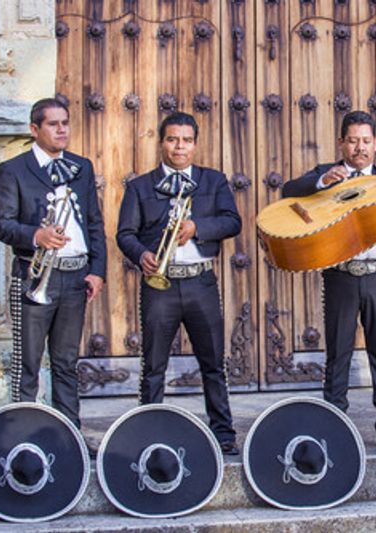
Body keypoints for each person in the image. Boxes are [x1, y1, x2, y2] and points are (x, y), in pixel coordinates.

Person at [282, 110, 376, 444]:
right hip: (341, 277)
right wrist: (322, 183)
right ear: (342, 143)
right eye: (352, 141)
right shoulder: (326, 174)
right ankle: (335, 421)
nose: (359, 148)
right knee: (338, 352)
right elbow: (287, 191)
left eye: (366, 141)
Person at [116, 112, 242, 454]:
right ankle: (148, 428)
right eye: (172, 139)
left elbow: (232, 222)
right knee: (153, 363)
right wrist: (141, 254)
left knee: (213, 362)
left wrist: (196, 228)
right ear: (162, 143)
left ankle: (223, 431)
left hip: (200, 282)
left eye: (186, 140)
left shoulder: (213, 181)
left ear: (195, 144)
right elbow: (125, 233)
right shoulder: (140, 186)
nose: (179, 146)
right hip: (161, 286)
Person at [0, 97, 107, 428]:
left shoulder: (81, 167)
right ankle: (23, 434)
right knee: (28, 362)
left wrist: (97, 270)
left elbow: (95, 223)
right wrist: (36, 235)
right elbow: (2, 224)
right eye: (53, 124)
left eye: (65, 123)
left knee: (67, 361)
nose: (62, 129)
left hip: (75, 278)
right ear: (34, 129)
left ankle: (69, 433)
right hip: (33, 276)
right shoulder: (12, 170)